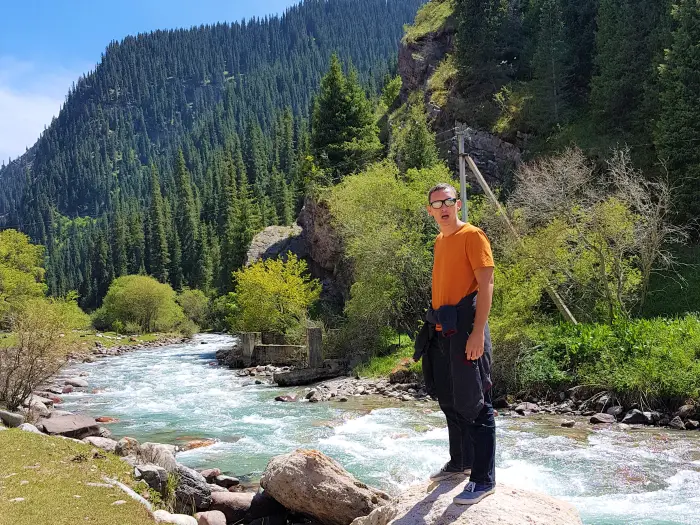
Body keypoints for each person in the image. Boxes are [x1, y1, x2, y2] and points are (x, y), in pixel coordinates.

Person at [413, 182, 496, 505]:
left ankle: (483, 478)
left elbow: (486, 285)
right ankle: (460, 460)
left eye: (448, 201)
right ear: (430, 210)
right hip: (441, 327)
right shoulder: (439, 240)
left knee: (475, 402)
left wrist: (478, 333)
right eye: (437, 204)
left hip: (466, 327)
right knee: (448, 398)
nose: (443, 207)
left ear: (457, 204)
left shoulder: (472, 236)